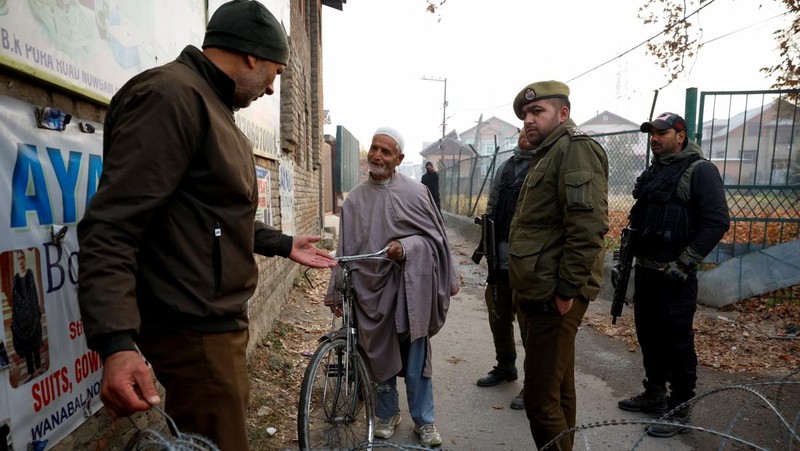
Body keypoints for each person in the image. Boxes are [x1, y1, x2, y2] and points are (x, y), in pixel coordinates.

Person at [77, 2, 336, 450]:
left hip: (212, 328)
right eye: (274, 74)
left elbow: (213, 214)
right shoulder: (171, 98)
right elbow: (112, 228)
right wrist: (117, 343)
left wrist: (281, 243)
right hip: (193, 333)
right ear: (252, 55)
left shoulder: (209, 103)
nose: (273, 90)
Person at [325, 127, 459, 447]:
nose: (377, 156)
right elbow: (345, 249)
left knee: (416, 355)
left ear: (399, 159)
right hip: (369, 289)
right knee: (378, 354)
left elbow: (435, 239)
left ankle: (424, 421)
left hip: (412, 287)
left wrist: (407, 248)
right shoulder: (355, 200)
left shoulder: (417, 193)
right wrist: (335, 290)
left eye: (386, 151)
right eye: (374, 148)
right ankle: (387, 414)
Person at [508, 81, 609, 450]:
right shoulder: (547, 152)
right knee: (559, 388)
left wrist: (567, 289)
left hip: (555, 293)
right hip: (540, 288)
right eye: (525, 115)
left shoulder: (575, 149)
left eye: (538, 112)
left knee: (539, 399)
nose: (529, 121)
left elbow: (587, 226)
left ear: (562, 114)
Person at [617, 112, 730, 437]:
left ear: (680, 136)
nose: (654, 137)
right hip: (647, 271)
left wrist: (684, 263)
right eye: (651, 132)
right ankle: (654, 393)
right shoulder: (656, 171)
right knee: (648, 336)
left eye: (661, 133)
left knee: (677, 342)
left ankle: (679, 407)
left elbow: (717, 222)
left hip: (675, 276)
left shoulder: (700, 171)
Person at [474, 131, 535, 411]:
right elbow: (492, 202)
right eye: (521, 129)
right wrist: (489, 234)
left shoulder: (544, 164)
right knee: (497, 311)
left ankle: (534, 384)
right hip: (499, 255)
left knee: (529, 323)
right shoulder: (507, 165)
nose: (524, 134)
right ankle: (506, 366)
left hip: (528, 260)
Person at [11, 250, 42, 377]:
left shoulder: (29, 274)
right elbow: (16, 298)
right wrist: (21, 313)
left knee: (35, 343)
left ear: (25, 259)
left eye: (22, 258)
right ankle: (31, 371)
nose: (21, 261)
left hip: (32, 314)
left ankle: (39, 366)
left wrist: (33, 310)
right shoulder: (16, 279)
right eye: (18, 258)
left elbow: (32, 293)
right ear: (17, 261)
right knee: (27, 345)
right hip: (23, 318)